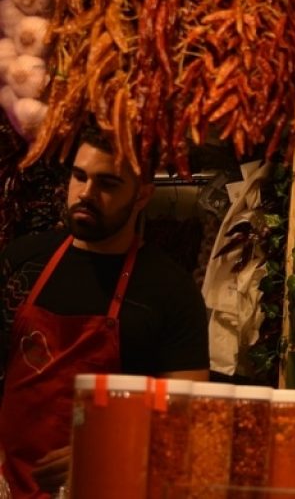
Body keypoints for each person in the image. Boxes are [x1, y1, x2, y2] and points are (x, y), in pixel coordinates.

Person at [0, 124, 210, 498]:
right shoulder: (23, 261)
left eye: (108, 184)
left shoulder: (170, 290)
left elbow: (187, 415)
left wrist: (105, 447)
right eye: (79, 177)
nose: (86, 194)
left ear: (143, 193)